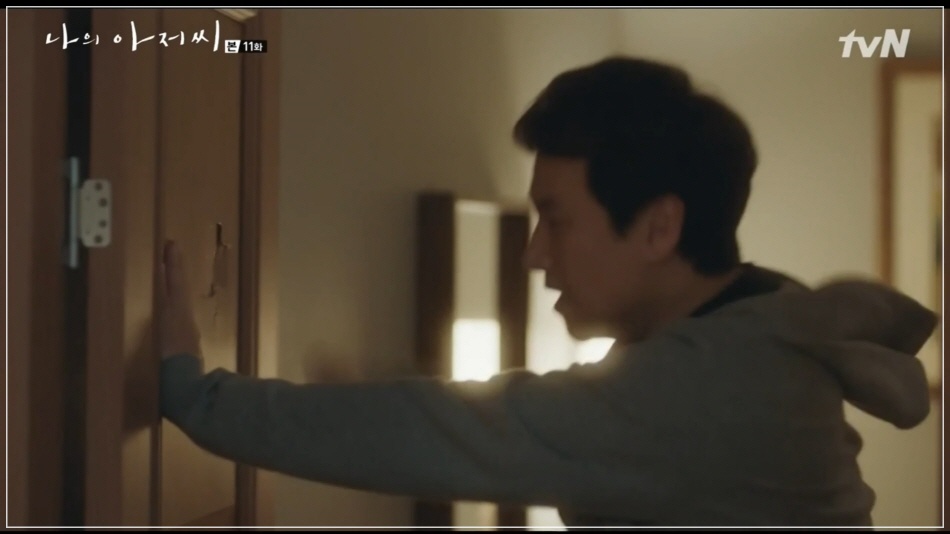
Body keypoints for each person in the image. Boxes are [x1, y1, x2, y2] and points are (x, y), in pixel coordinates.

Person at [159, 56, 938, 527]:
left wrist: (194, 393)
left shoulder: (712, 387)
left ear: (660, 226)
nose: (534, 253)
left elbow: (451, 430)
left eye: (556, 220)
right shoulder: (759, 321)